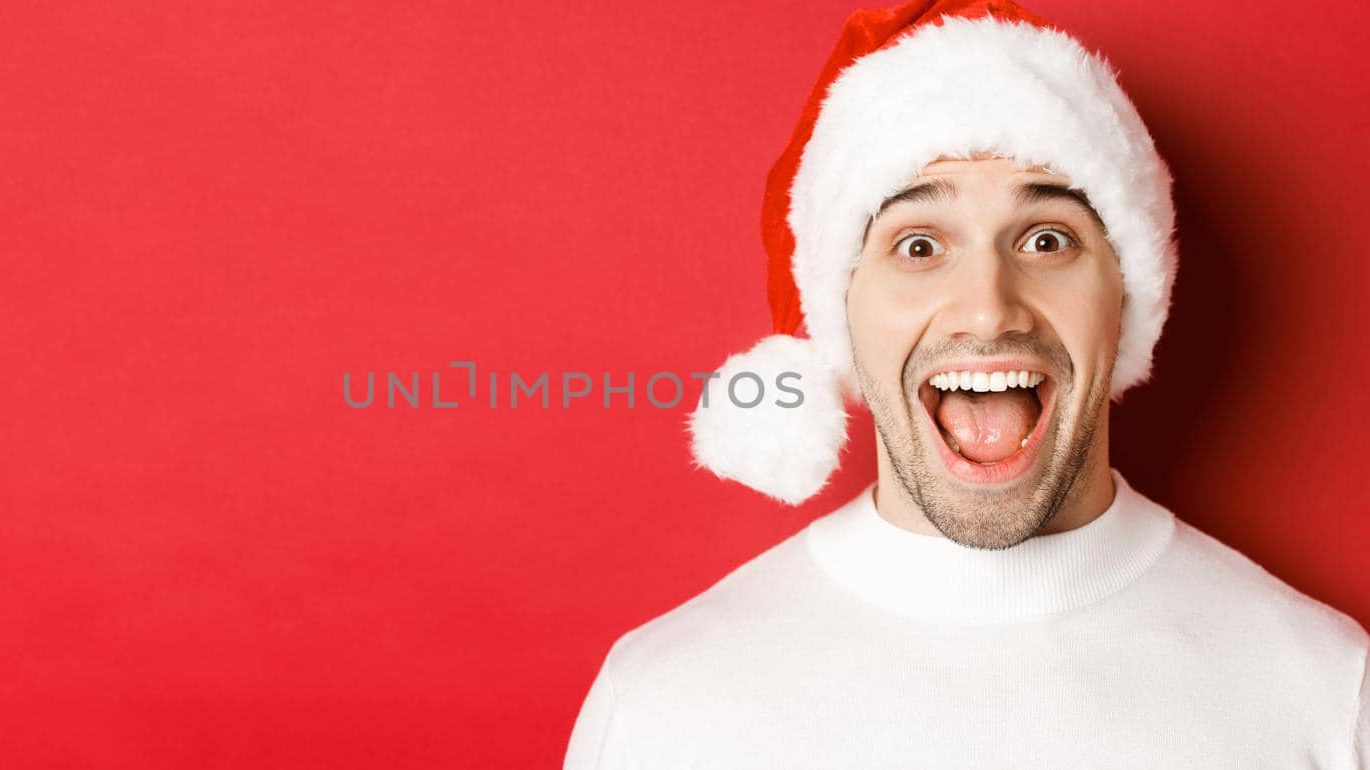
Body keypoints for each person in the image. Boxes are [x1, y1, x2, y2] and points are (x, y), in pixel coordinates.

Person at [563, 0, 1370, 767]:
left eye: (1047, 239)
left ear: (1127, 298)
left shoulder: (1329, 693)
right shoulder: (666, 702)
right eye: (919, 247)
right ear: (842, 311)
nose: (988, 312)